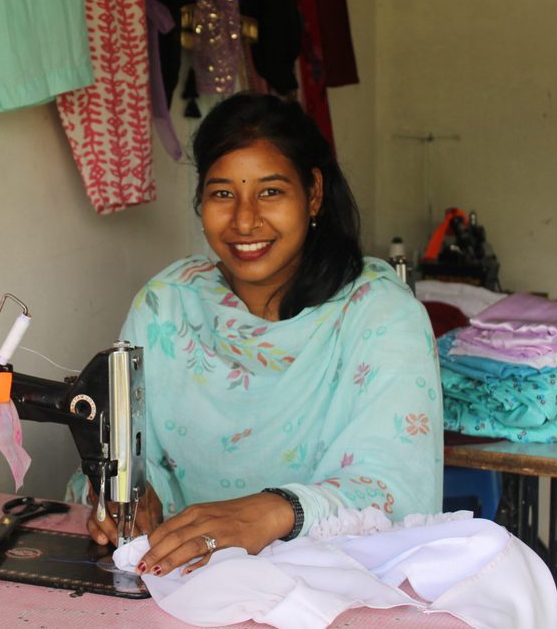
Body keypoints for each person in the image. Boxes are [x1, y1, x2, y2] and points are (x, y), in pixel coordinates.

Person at [83, 92, 443, 578]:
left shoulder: (379, 315)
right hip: (183, 583)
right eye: (223, 193)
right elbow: (127, 458)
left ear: (313, 193)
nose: (245, 220)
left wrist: (273, 512)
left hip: (336, 589)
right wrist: (128, 496)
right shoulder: (167, 305)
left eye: (270, 191)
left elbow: (396, 491)